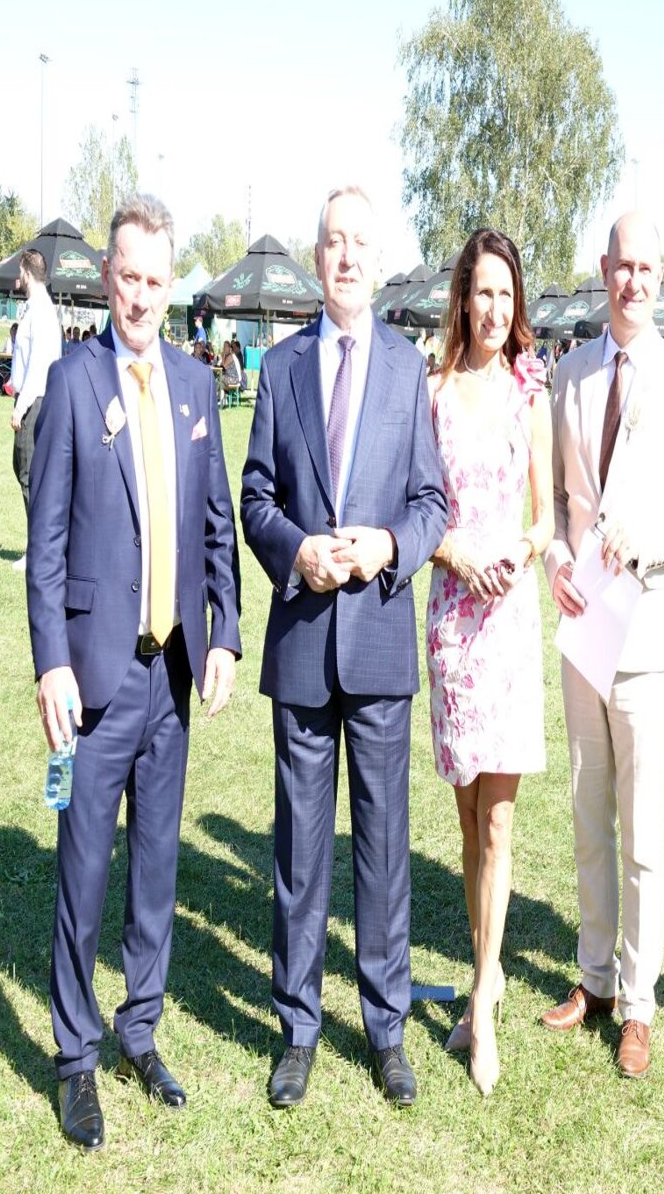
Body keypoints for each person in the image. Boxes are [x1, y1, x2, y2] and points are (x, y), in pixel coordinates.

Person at [27, 193, 241, 1150]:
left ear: (169, 284)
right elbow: (45, 546)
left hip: (172, 676)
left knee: (157, 870)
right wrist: (51, 664)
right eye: (128, 278)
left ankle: (139, 1029)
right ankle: (76, 1056)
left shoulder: (196, 387)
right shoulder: (73, 383)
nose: (142, 297)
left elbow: (216, 524)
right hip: (95, 678)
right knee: (84, 871)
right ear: (106, 278)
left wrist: (225, 633)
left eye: (156, 280)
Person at [240, 186, 447, 1110]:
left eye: (362, 243)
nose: (349, 257)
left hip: (378, 645)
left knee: (384, 849)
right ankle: (297, 1029)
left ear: (378, 258)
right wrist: (298, 552)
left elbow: (431, 501)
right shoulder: (281, 367)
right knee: (298, 853)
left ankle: (386, 1029)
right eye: (334, 242)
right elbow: (254, 497)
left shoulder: (407, 368)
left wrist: (388, 546)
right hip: (301, 643)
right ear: (317, 257)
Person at [540, 211, 664, 1080]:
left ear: (660, 277)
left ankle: (640, 1004)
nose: (634, 281)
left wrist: (646, 540)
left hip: (646, 634)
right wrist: (555, 559)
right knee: (587, 819)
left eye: (648, 268)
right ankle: (595, 978)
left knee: (643, 833)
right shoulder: (569, 374)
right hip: (583, 632)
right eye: (623, 266)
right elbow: (551, 503)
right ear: (603, 269)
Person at [425, 228, 552, 1097]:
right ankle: (484, 977)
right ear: (464, 299)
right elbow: (416, 505)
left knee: (500, 821)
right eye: (483, 293)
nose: (495, 309)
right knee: (468, 823)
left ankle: (484, 1002)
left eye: (507, 295)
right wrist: (455, 551)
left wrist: (522, 551)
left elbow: (548, 515)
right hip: (451, 622)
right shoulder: (433, 392)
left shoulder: (528, 393)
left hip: (506, 625)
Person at [9, 249, 63, 572]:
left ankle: (38, 551)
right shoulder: (39, 309)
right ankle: (39, 547)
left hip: (36, 400)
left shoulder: (40, 311)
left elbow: (38, 366)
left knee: (29, 474)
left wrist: (21, 406)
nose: (19, 278)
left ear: (28, 273)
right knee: (24, 469)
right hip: (35, 397)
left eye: (20, 272)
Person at [219, 341, 242, 407]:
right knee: (220, 383)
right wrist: (223, 357)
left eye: (226, 347)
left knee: (219, 378)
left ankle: (217, 400)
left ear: (229, 348)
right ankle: (222, 401)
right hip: (228, 378)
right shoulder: (227, 356)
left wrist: (223, 356)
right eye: (224, 347)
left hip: (234, 379)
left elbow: (223, 367)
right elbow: (221, 366)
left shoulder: (231, 356)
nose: (224, 348)